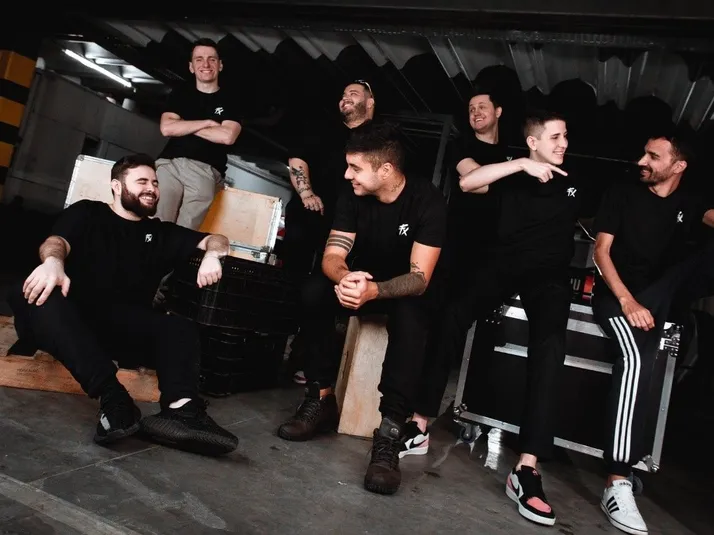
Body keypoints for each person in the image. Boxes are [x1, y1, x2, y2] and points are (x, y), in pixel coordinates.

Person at [415, 110, 593, 526]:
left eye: (565, 136)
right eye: (555, 137)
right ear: (533, 142)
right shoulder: (510, 172)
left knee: (550, 344)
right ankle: (419, 423)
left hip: (549, 276)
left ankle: (526, 468)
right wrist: (520, 165)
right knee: (453, 315)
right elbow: (466, 183)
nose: (563, 144)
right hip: (502, 266)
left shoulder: (576, 181)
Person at [7, 153, 240, 456]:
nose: (151, 189)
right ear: (116, 186)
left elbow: (216, 239)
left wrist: (212, 255)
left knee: (178, 327)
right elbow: (57, 241)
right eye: (142, 181)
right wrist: (53, 263)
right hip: (67, 323)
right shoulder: (88, 212)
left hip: (118, 329)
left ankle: (182, 412)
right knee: (37, 293)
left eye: (155, 183)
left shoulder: (160, 233)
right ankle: (114, 399)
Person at [276, 122, 448, 496]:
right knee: (314, 291)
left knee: (415, 315)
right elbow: (333, 254)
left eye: (355, 167)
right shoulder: (351, 195)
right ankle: (320, 398)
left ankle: (389, 433)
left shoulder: (428, 201)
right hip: (359, 280)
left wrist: (376, 291)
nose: (346, 174)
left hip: (400, 289)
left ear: (385, 169)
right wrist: (345, 278)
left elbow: (419, 278)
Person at [592, 129, 714, 535]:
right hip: (618, 298)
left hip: (660, 301)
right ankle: (616, 479)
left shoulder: (690, 203)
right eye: (643, 153)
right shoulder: (621, 194)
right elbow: (601, 252)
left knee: (698, 257)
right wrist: (628, 302)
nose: (642, 161)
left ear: (679, 166)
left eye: (653, 157)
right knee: (634, 359)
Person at [401, 85, 517, 458]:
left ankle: (467, 415)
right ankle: (418, 422)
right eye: (471, 108)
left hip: (493, 261)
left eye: (483, 106)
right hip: (454, 252)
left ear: (498, 111)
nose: (476, 112)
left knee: (476, 334)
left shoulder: (513, 154)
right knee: (436, 326)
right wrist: (515, 170)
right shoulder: (463, 147)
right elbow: (474, 183)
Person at [282, 80, 376, 383]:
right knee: (291, 283)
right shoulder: (323, 128)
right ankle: (274, 353)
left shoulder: (378, 139)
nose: (345, 98)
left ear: (370, 103)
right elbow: (297, 158)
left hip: (347, 230)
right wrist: (306, 192)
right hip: (308, 216)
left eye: (353, 94)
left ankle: (307, 361)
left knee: (322, 291)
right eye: (343, 94)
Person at [155, 38, 242, 230]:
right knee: (158, 224)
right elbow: (167, 128)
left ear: (220, 65)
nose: (206, 64)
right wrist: (207, 123)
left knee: (185, 231)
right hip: (169, 163)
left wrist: (184, 125)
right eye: (199, 59)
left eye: (212, 59)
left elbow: (227, 137)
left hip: (205, 169)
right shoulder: (180, 94)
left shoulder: (231, 100)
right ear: (191, 66)